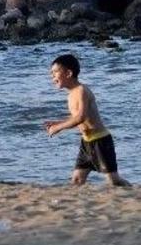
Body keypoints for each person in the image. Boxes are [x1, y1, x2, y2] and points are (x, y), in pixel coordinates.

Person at [44, 54, 130, 187]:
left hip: (100, 141)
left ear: (68, 73)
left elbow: (81, 117)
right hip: (87, 142)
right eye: (51, 73)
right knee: (77, 179)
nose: (52, 76)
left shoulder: (81, 91)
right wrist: (59, 122)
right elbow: (78, 118)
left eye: (55, 72)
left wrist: (59, 128)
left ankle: (132, 190)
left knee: (114, 181)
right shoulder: (71, 94)